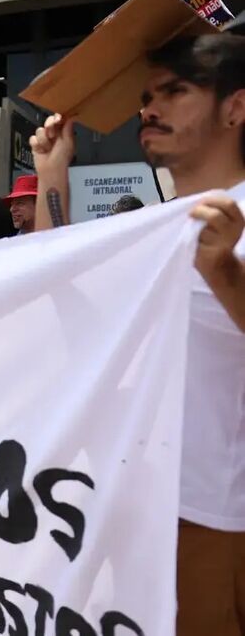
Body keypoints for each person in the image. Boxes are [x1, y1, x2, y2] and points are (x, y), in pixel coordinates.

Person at [30, 32, 245, 636]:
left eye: (176, 92)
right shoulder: (154, 226)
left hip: (214, 521)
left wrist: (223, 270)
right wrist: (54, 176)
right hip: (131, 508)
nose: (149, 109)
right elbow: (59, 293)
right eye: (147, 96)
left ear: (235, 107)